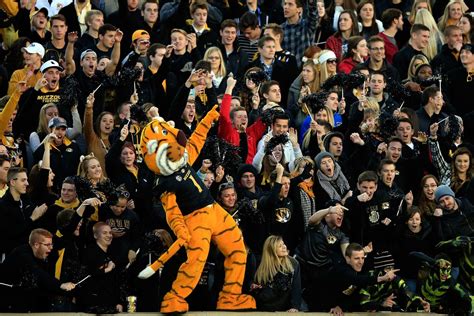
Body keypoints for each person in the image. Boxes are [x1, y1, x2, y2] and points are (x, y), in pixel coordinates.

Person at [0, 228, 76, 312]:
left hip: (22, 298)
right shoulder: (22, 254)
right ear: (36, 245)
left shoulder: (39, 254)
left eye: (51, 244)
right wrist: (61, 285)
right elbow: (39, 273)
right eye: (48, 245)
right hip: (7, 301)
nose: (51, 248)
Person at [0, 168, 48, 259]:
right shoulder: (3, 206)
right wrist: (32, 218)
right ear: (13, 182)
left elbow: (41, 185)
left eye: (26, 180)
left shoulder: (27, 201)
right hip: (12, 258)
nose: (27, 183)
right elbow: (10, 234)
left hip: (31, 255)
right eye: (23, 180)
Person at [80, 222, 124, 313]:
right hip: (93, 306)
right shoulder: (89, 252)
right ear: (96, 235)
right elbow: (87, 276)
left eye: (110, 233)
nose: (109, 235)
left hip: (110, 305)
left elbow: (115, 282)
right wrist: (107, 269)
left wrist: (118, 302)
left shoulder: (112, 254)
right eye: (104, 233)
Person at [251, 235, 301, 312]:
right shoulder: (261, 264)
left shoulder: (293, 263)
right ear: (272, 250)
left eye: (283, 244)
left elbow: (296, 287)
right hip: (264, 307)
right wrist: (254, 286)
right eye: (280, 246)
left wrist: (295, 307)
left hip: (284, 307)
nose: (284, 247)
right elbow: (257, 287)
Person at [280, 0, 318, 67]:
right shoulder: (280, 29)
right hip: (286, 71)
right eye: (285, 4)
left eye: (290, 4)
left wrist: (311, 2)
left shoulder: (307, 25)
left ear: (299, 10)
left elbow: (313, 15)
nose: (285, 7)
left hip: (305, 70)